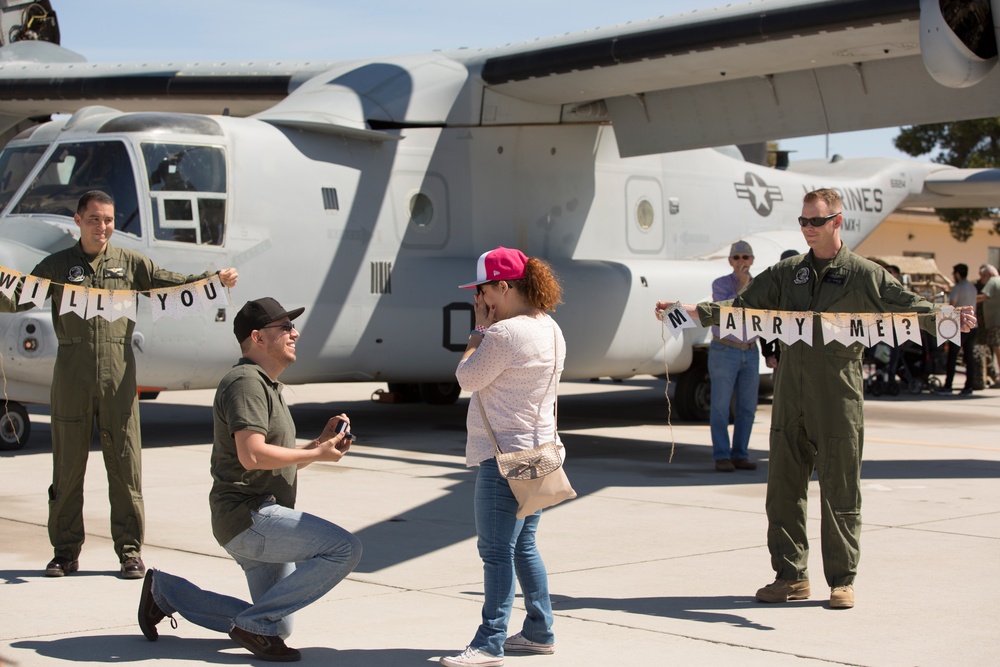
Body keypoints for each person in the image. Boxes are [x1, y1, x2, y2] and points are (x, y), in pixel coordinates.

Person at [655, 189, 976, 610]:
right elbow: (741, 307)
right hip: (790, 394)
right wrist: (689, 311)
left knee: (840, 490)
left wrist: (949, 318)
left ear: (837, 222)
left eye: (816, 222)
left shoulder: (863, 274)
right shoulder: (789, 273)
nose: (808, 229)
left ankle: (842, 580)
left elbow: (910, 307)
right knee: (783, 490)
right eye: (803, 222)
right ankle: (790, 577)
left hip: (838, 397)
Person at [0, 190, 238, 580]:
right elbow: (17, 296)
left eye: (109, 219)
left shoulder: (129, 264)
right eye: (94, 219)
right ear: (78, 221)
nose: (103, 226)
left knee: (126, 466)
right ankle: (64, 552)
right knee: (67, 468)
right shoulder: (59, 266)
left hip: (119, 375)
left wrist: (212, 279)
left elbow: (169, 282)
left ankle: (129, 552)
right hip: (71, 375)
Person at [137, 297, 362, 662]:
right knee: (344, 549)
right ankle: (253, 625)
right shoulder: (245, 383)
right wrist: (316, 455)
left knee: (279, 626)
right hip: (250, 517)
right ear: (258, 337)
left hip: (260, 515)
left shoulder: (266, 385)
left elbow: (270, 462)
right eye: (285, 327)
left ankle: (166, 592)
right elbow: (252, 455)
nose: (295, 333)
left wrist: (318, 444)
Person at [443, 247, 565, 667]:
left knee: (496, 551)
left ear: (504, 286)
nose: (479, 299)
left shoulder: (502, 334)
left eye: (483, 291)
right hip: (540, 452)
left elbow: (465, 377)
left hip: (504, 460)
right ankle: (538, 630)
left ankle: (489, 641)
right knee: (524, 546)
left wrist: (478, 331)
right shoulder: (550, 327)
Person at [707, 240, 760, 472]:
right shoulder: (721, 284)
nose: (742, 261)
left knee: (747, 408)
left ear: (752, 260)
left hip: (750, 350)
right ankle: (721, 455)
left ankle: (740, 453)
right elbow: (730, 311)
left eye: (745, 257)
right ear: (730, 261)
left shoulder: (760, 285)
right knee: (720, 406)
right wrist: (740, 284)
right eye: (737, 257)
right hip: (724, 349)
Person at [937, 263, 978, 395]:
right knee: (969, 357)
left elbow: (952, 306)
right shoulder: (972, 287)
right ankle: (968, 387)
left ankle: (948, 386)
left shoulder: (958, 288)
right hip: (973, 324)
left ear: (958, 274)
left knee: (952, 357)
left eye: (954, 273)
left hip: (959, 326)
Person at [760, 249, 801, 370]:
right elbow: (767, 325)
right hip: (782, 358)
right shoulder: (774, 292)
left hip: (808, 358)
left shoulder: (811, 289)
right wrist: (768, 354)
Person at [978, 264, 1000, 384]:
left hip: (995, 322)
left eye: (982, 276)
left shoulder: (993, 281)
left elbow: (983, 296)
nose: (981, 280)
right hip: (996, 321)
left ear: (988, 274)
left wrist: (968, 299)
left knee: (997, 349)